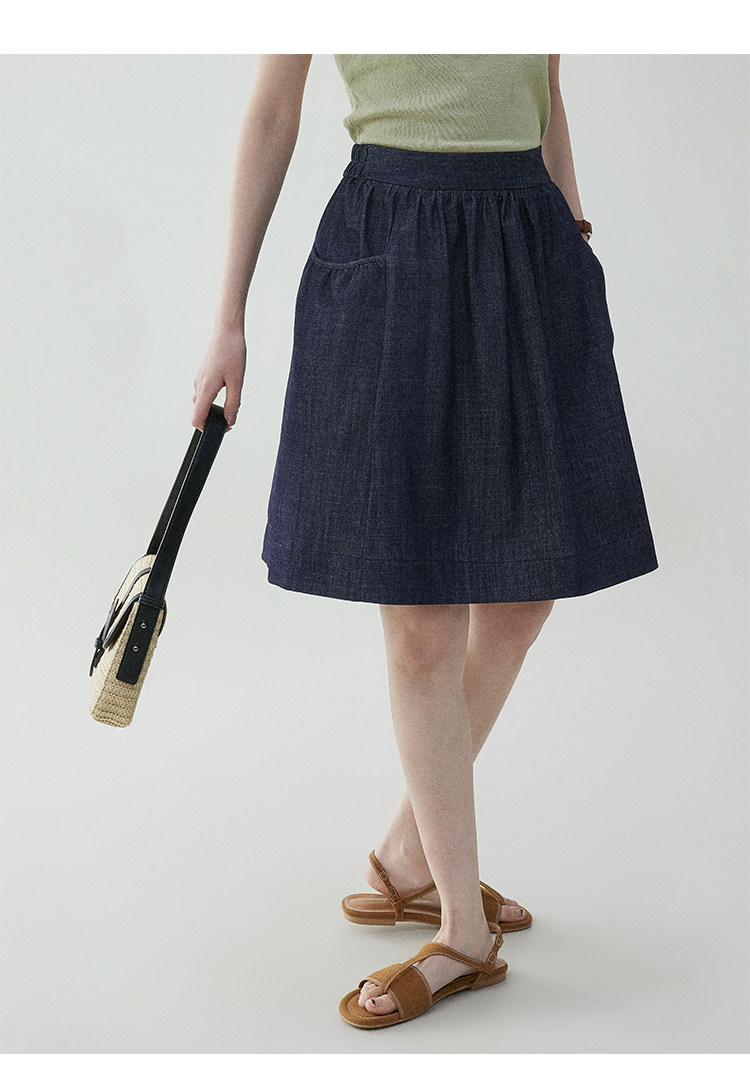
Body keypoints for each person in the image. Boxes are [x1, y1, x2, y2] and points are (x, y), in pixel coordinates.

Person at [191, 54, 659, 1029]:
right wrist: (226, 317)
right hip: (391, 246)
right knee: (423, 620)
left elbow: (547, 91)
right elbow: (273, 112)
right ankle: (461, 932)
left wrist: (575, 238)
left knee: (522, 601)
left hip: (525, 245)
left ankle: (408, 857)